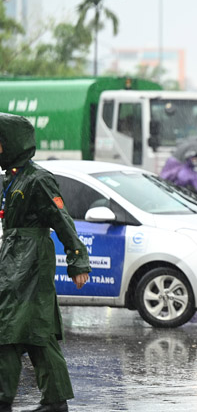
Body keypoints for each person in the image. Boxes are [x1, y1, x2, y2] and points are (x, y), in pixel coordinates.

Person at [0, 113, 91, 412]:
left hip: (30, 260)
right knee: (38, 332)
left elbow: (61, 220)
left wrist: (78, 260)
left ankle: (4, 398)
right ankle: (55, 400)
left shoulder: (37, 179)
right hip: (15, 257)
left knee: (8, 330)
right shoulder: (12, 177)